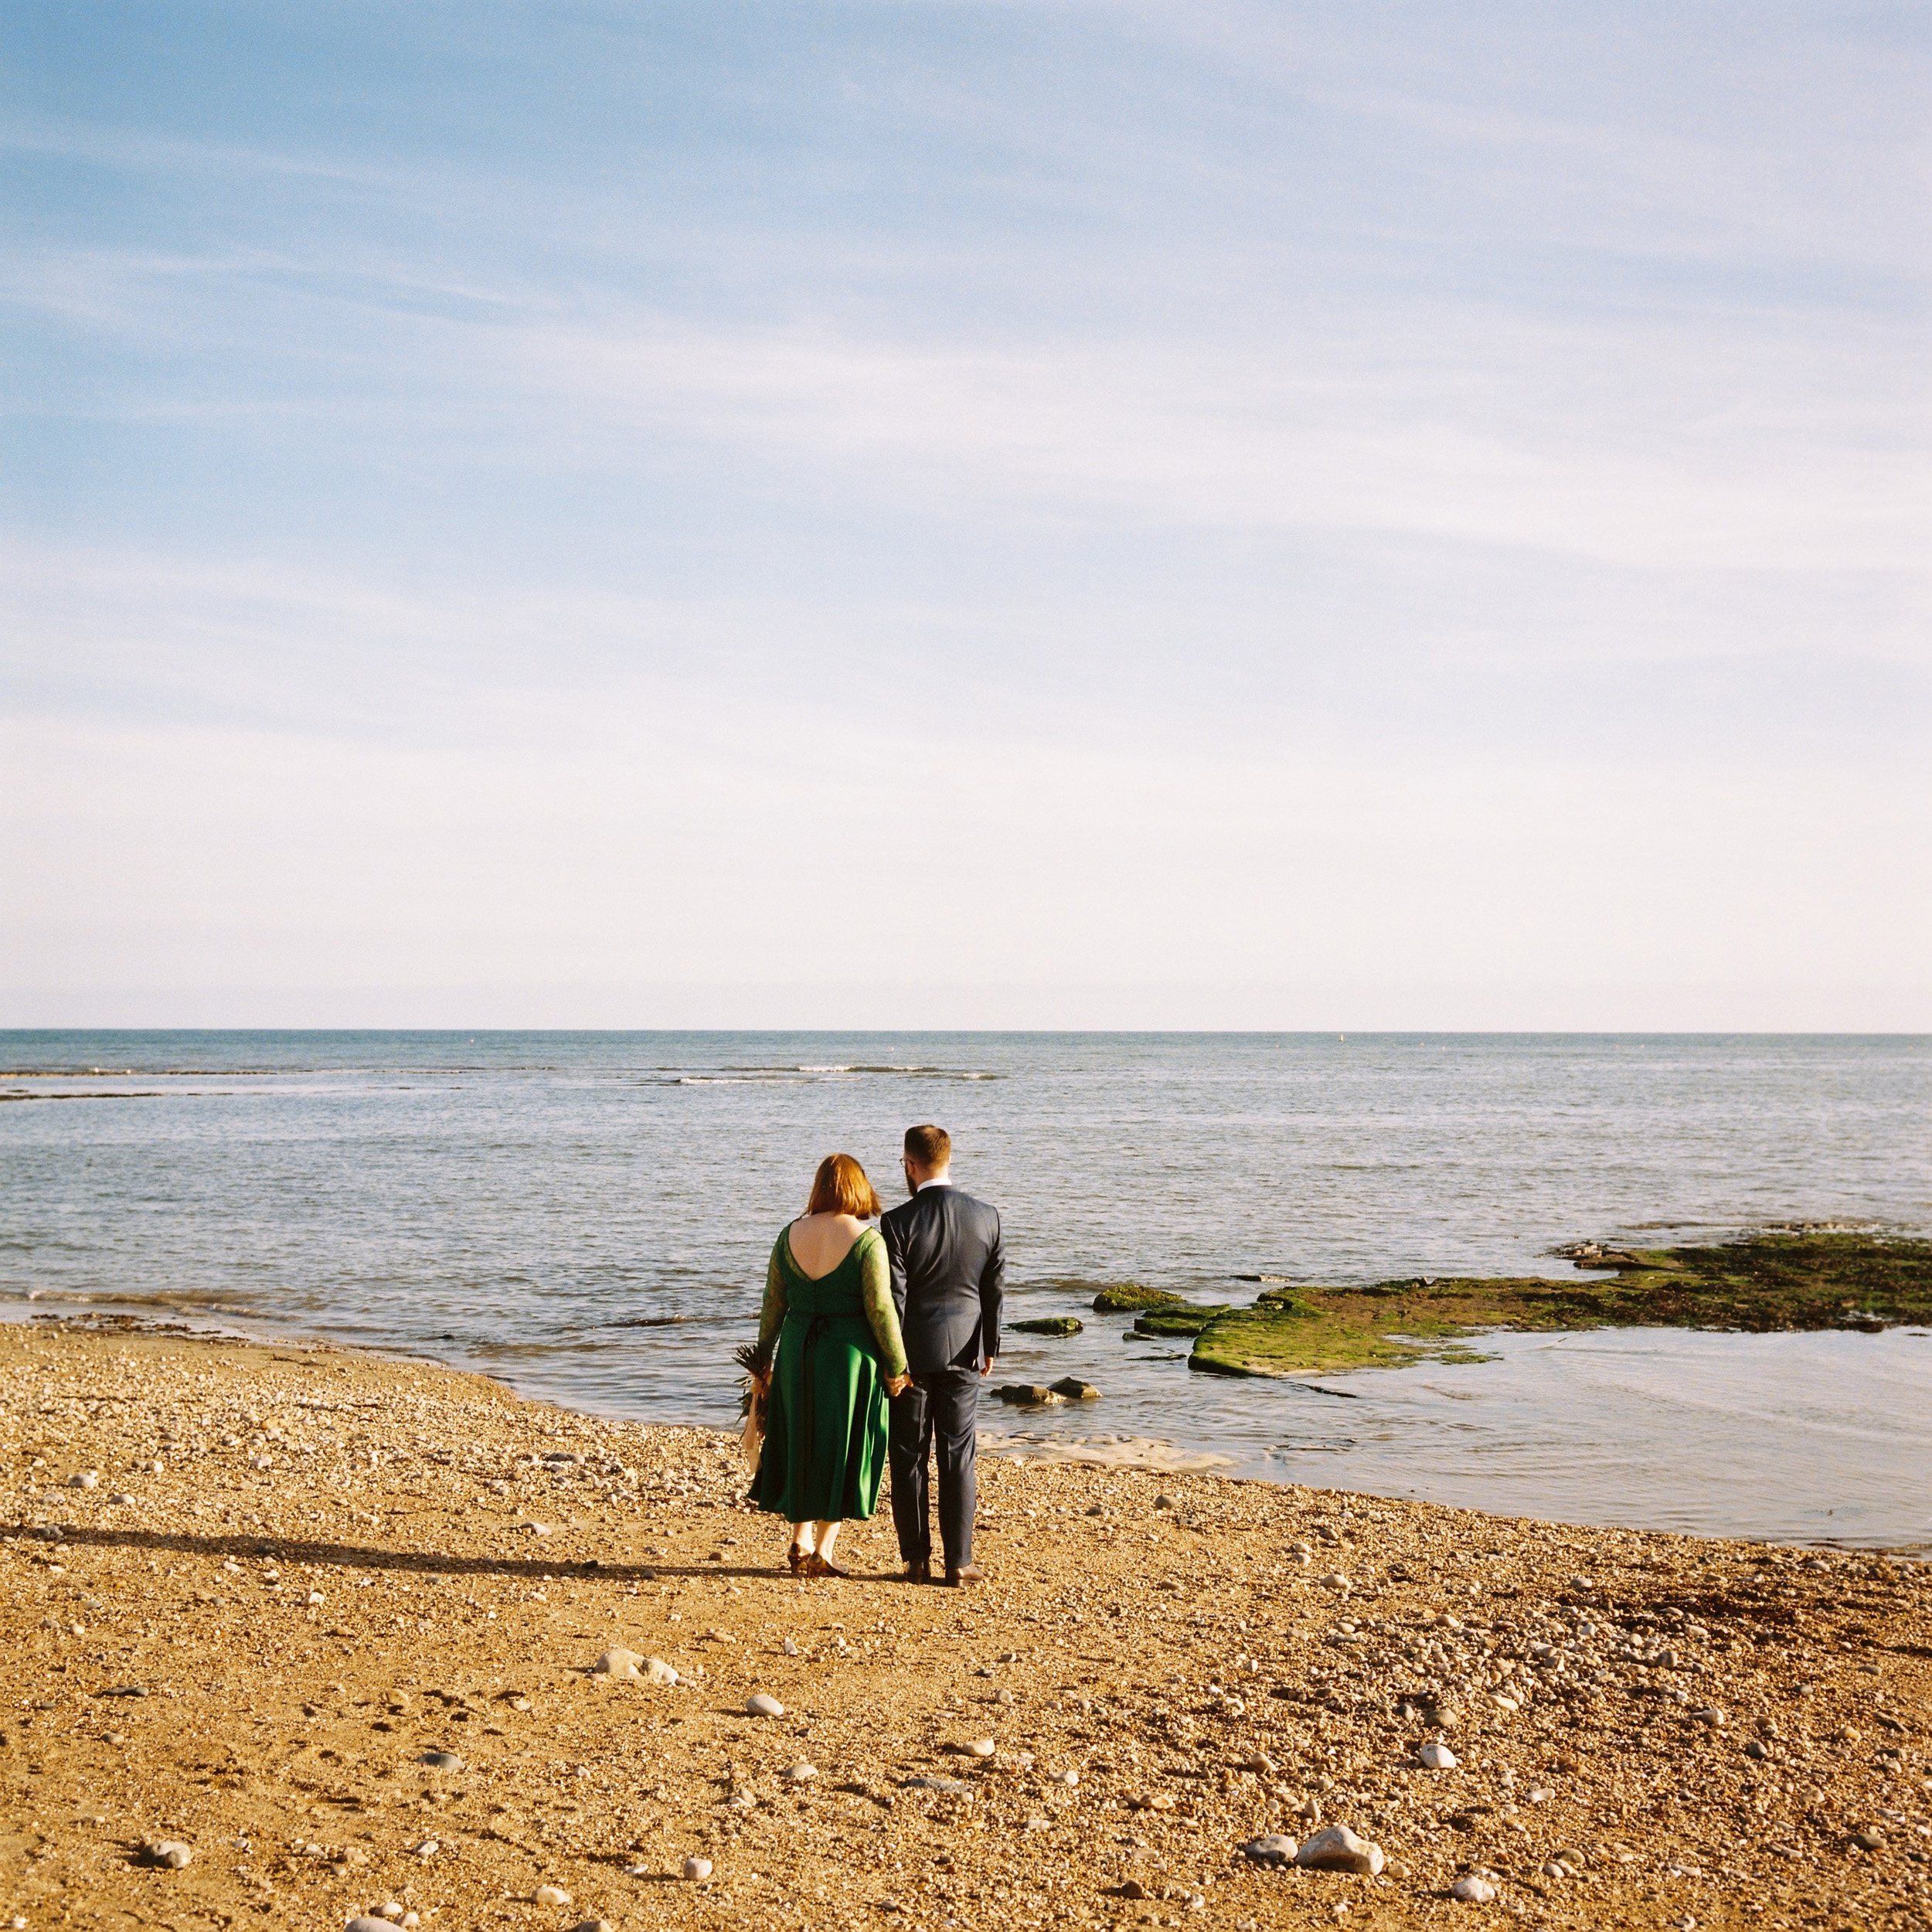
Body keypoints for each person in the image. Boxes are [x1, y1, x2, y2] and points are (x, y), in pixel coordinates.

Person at [747, 1153, 912, 1576]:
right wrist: (897, 1367)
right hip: (849, 1359)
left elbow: (772, 1306)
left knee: (801, 1439)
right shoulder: (867, 1241)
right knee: (840, 1446)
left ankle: (799, 1541)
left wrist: (762, 1361)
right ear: (859, 1188)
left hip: (797, 1351)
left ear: (818, 1188)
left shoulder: (788, 1236)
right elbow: (880, 1309)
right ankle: (823, 1550)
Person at [882, 1124, 1004, 1587]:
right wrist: (989, 1345)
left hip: (912, 1357)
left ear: (911, 1166)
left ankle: (915, 1560)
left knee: (909, 1455)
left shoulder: (897, 1222)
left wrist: (894, 1359)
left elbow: (894, 1299)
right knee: (958, 1455)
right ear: (948, 1161)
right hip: (966, 1350)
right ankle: (960, 1562)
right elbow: (993, 1288)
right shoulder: (987, 1216)